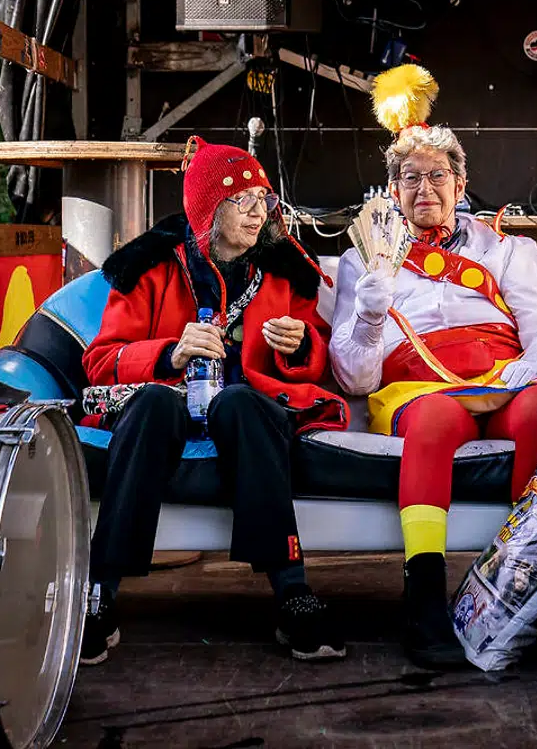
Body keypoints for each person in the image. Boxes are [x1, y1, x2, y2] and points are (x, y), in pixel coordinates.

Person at [328, 63, 537, 668]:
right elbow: (354, 378)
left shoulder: (508, 249)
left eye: (438, 175)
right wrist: (369, 315)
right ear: (393, 191)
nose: (425, 188)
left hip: (504, 378)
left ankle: (525, 586)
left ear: (461, 184)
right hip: (419, 389)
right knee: (435, 420)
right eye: (410, 177)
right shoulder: (363, 260)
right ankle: (423, 597)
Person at [79, 138, 348, 665]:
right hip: (166, 409)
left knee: (242, 404)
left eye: (264, 199)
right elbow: (100, 361)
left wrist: (300, 346)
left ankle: (292, 592)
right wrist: (169, 353)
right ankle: (99, 592)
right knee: (154, 405)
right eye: (242, 199)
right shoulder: (150, 267)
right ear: (208, 208)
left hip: (245, 410)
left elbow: (318, 358)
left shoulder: (284, 271)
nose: (258, 212)